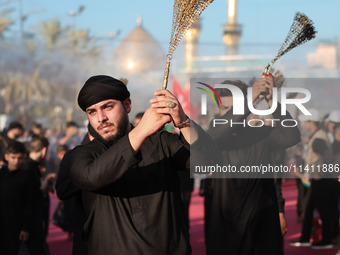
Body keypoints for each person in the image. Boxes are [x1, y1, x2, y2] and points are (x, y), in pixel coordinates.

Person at [62, 75, 217, 255]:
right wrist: (143, 129)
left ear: (127, 105)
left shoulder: (162, 143)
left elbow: (210, 162)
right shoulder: (82, 154)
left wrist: (183, 121)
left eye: (108, 107)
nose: (101, 118)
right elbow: (91, 177)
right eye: (92, 112)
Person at [204, 77, 300, 255]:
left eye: (233, 108)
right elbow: (217, 134)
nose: (228, 113)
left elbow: (291, 137)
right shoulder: (216, 133)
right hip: (224, 224)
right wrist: (248, 101)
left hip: (261, 221)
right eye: (224, 108)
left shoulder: (261, 133)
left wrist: (272, 102)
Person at [290, 109, 335, 249]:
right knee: (309, 210)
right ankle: (305, 238)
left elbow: (328, 158)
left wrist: (319, 174)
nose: (304, 124)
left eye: (305, 121)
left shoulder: (319, 137)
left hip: (320, 181)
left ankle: (326, 240)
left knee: (323, 210)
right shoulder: (316, 136)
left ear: (311, 122)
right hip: (317, 181)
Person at [21, 134, 54, 255]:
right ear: (44, 150)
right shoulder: (29, 168)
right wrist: (44, 185)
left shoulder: (31, 167)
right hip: (31, 221)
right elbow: (30, 196)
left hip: (33, 219)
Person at [0, 141, 33, 255]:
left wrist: (25, 228)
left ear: (23, 158)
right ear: (6, 157)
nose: (16, 161)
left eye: (19, 158)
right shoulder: (1, 174)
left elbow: (29, 204)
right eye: (13, 157)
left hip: (16, 225)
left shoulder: (25, 178)